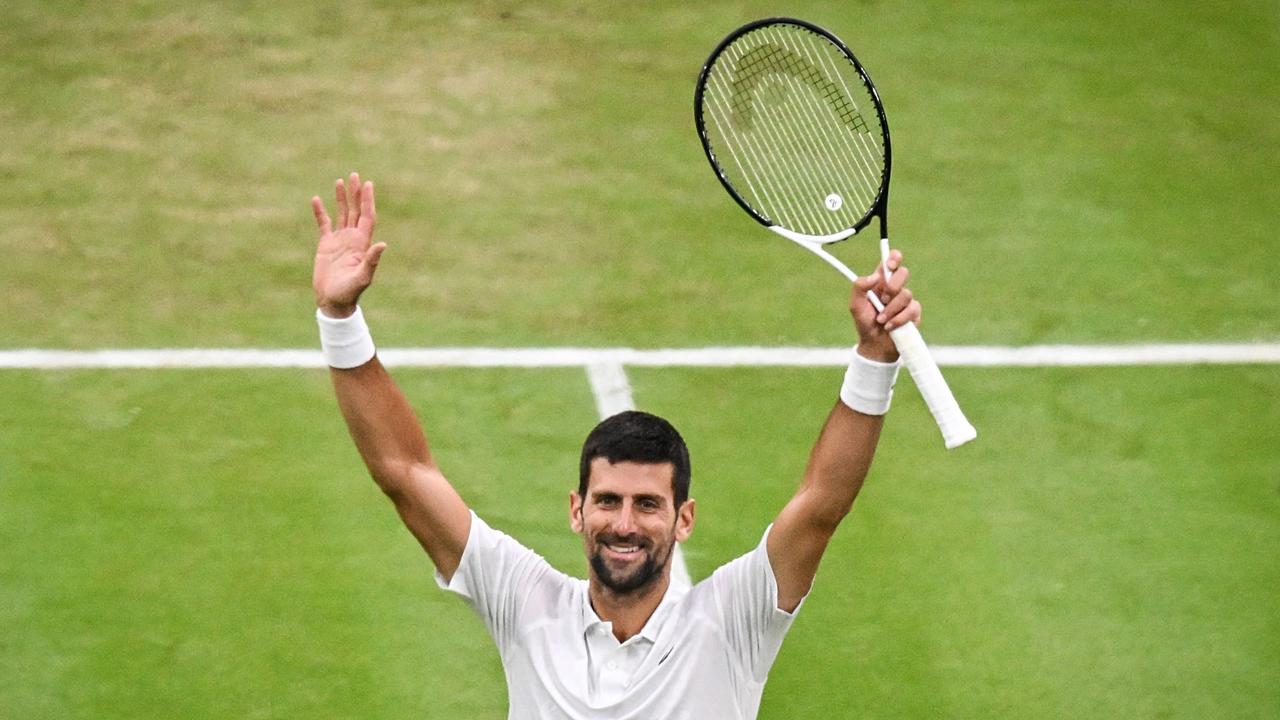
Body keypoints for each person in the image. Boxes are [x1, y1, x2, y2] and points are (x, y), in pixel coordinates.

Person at [310, 173, 921, 719]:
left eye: (647, 504)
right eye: (608, 501)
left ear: (684, 519)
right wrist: (340, 320)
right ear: (577, 508)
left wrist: (874, 358)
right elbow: (404, 472)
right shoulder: (526, 607)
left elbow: (822, 504)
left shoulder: (731, 623)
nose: (623, 524)